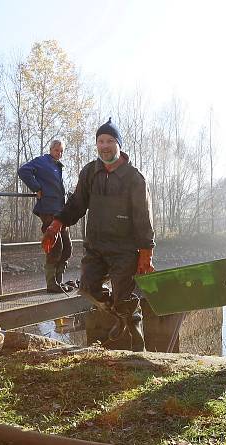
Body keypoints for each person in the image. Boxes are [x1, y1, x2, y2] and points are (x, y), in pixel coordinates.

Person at [43, 118, 155, 352]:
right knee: (87, 288)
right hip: (96, 246)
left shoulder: (134, 178)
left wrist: (146, 253)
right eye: (100, 141)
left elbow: (144, 218)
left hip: (125, 250)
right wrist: (56, 224)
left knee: (125, 298)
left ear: (119, 144)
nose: (104, 146)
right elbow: (76, 204)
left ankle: (135, 335)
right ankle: (120, 317)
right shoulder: (90, 172)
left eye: (110, 141)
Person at [18, 139, 72, 293]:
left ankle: (58, 282)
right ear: (51, 149)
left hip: (61, 212)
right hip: (48, 209)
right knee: (56, 246)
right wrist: (36, 187)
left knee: (67, 248)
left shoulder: (58, 166)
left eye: (61, 151)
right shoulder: (42, 161)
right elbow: (23, 171)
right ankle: (51, 284)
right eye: (57, 150)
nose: (59, 153)